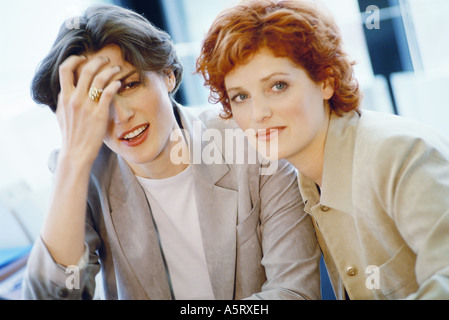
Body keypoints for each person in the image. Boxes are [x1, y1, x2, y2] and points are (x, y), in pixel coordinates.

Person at [21, 4, 321, 300]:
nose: (120, 116)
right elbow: (49, 297)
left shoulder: (252, 142)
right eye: (99, 101)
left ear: (167, 75)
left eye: (129, 85)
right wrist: (73, 163)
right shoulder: (83, 173)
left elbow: (294, 292)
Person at [196, 0, 449, 299]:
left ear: (326, 81)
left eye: (277, 86)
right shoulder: (306, 179)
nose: (258, 113)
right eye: (240, 96)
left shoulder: (397, 154)